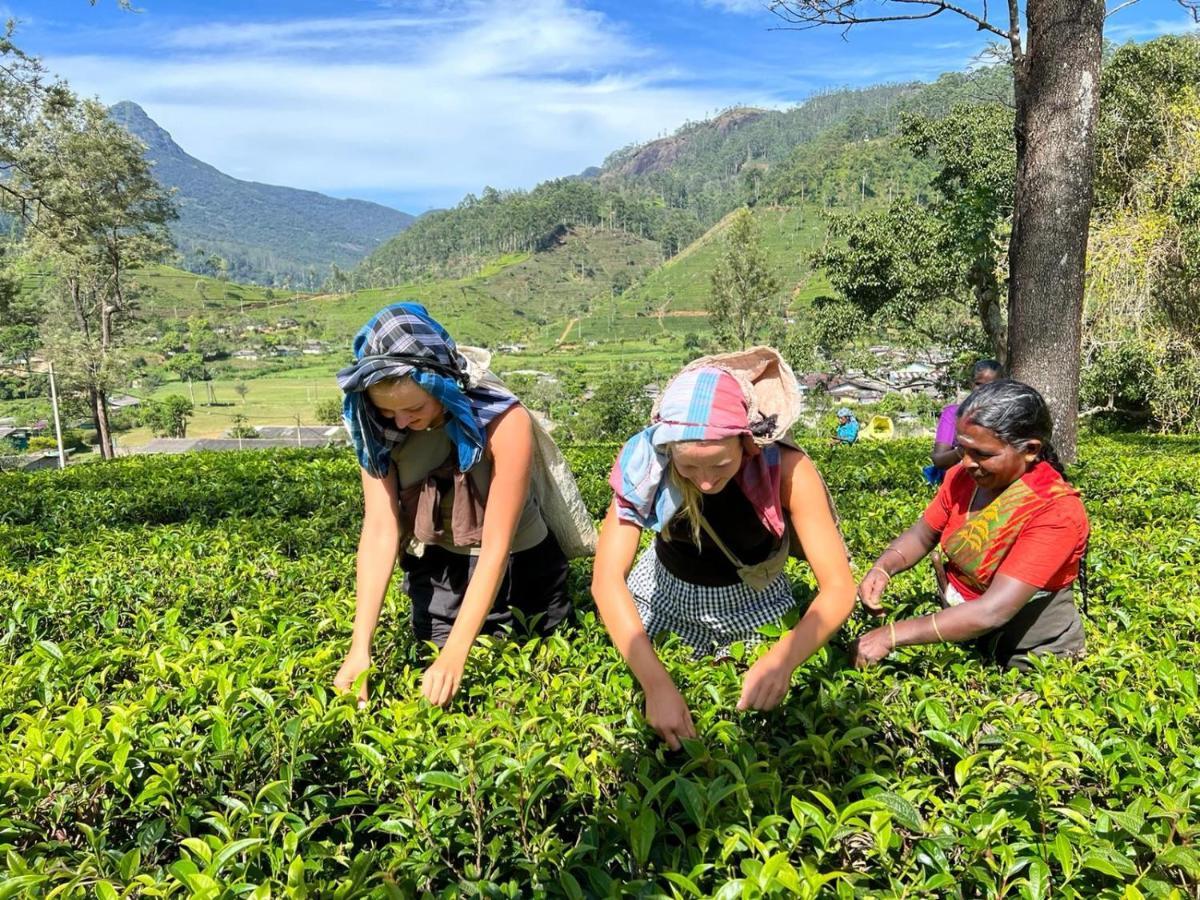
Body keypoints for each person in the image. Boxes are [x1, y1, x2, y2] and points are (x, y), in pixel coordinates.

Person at [591, 354, 856, 749]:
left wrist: (784, 657)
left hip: (752, 604)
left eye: (719, 464)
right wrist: (656, 684)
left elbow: (839, 587)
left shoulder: (786, 470)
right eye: (689, 469)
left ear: (746, 442)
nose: (707, 482)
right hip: (665, 595)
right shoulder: (647, 462)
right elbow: (607, 579)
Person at [332, 302, 574, 708]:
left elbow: (497, 545)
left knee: (538, 684)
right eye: (387, 411)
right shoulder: (374, 432)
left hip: (522, 567)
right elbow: (380, 529)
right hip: (441, 569)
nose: (402, 423)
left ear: (442, 386)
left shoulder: (504, 420)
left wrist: (456, 653)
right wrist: (361, 649)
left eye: (415, 409)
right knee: (443, 699)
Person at [854, 379, 1089, 670]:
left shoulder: (1055, 511)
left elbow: (994, 610)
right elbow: (923, 534)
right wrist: (883, 567)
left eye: (982, 454)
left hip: (1031, 652)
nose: (966, 462)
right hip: (959, 632)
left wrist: (889, 636)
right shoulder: (961, 478)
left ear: (1030, 449)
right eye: (962, 449)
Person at [924, 359, 1006, 485]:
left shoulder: (1008, 415)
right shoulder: (953, 414)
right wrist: (964, 450)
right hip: (960, 485)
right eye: (979, 384)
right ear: (970, 384)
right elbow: (938, 460)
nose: (984, 390)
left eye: (992, 385)